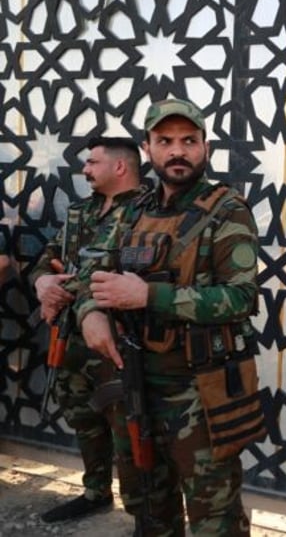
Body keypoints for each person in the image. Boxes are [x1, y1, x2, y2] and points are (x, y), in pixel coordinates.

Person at [77, 98, 266, 536]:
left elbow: (240, 297)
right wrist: (90, 312)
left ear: (205, 147)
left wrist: (149, 295)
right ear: (147, 148)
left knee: (213, 516)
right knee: (147, 506)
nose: (177, 151)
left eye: (189, 141)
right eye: (165, 141)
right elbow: (91, 273)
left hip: (199, 390)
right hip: (134, 382)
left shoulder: (227, 209)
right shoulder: (134, 209)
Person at [31, 136, 145, 522]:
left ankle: (144, 514)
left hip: (116, 341)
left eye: (92, 162)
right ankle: (97, 491)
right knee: (83, 419)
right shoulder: (81, 211)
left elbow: (119, 273)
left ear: (119, 166)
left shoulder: (147, 212)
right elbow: (49, 259)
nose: (85, 169)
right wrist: (43, 284)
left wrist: (71, 284)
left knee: (127, 430)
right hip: (70, 336)